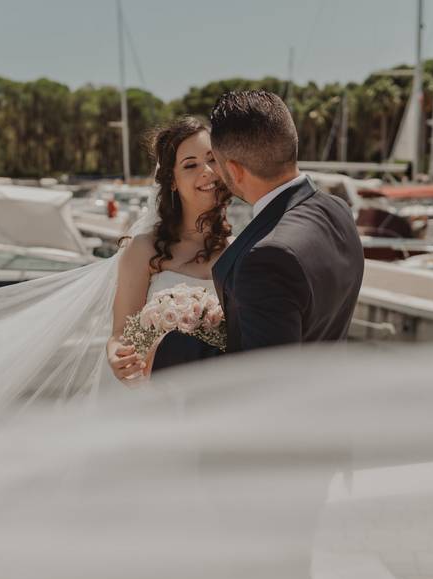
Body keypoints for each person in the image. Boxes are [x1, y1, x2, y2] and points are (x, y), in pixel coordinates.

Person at [210, 89, 364, 355]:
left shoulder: (265, 259)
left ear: (234, 170)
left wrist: (173, 348)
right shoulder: (339, 210)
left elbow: (266, 378)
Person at [106, 116, 232, 383]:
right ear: (172, 181)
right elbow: (120, 335)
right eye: (190, 165)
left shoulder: (239, 250)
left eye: (212, 159)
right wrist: (119, 356)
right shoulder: (143, 250)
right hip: (156, 395)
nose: (207, 171)